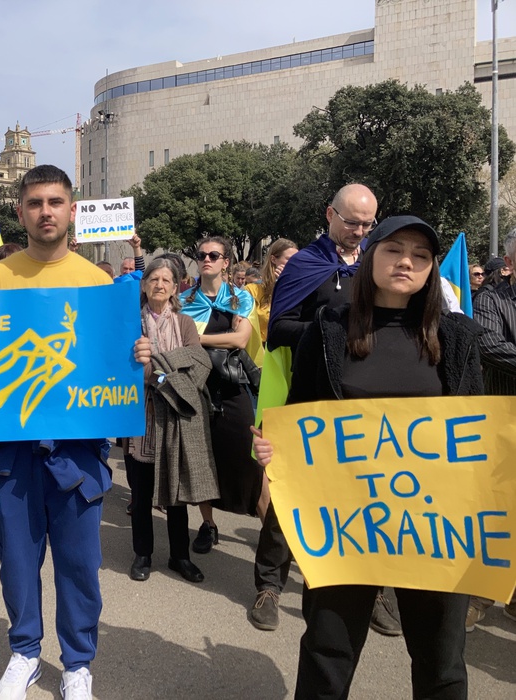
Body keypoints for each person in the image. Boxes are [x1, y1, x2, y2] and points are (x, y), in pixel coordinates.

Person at [0, 165, 151, 700]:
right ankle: (25, 652)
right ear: (20, 212)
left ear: (72, 210)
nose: (45, 212)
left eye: (55, 202)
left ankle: (77, 662)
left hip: (76, 448)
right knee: (16, 560)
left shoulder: (96, 282)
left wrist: (136, 356)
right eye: (35, 203)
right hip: (9, 450)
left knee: (79, 564)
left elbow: (109, 360)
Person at [253, 215, 482, 700]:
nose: (406, 262)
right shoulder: (328, 331)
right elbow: (300, 414)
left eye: (421, 255)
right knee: (327, 655)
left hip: (435, 527)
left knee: (442, 664)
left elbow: (476, 431)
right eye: (394, 249)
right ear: (370, 256)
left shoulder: (458, 336)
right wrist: (276, 452)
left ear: (432, 269)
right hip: (346, 524)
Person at [257, 183, 400, 636]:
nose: (360, 231)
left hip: (367, 404)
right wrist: (333, 331)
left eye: (368, 224)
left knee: (370, 497)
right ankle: (269, 586)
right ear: (329, 215)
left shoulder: (377, 263)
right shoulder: (305, 264)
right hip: (311, 399)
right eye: (352, 222)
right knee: (290, 498)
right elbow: (278, 329)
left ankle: (373, 589)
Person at [125, 257, 218, 584]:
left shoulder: (184, 323)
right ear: (144, 284)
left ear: (176, 287)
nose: (160, 285)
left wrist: (154, 367)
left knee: (176, 493)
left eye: (166, 280)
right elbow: (125, 369)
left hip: (176, 415)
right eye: (154, 279)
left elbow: (198, 363)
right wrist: (163, 369)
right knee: (140, 492)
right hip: (140, 416)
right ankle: (142, 554)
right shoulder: (130, 323)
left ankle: (180, 556)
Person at [181, 236, 261, 564]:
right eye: (201, 254)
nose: (206, 259)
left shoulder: (240, 297)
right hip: (197, 386)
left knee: (249, 457)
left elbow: (240, 340)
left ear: (226, 261)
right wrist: (220, 338)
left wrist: (198, 338)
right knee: (203, 459)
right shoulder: (185, 299)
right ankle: (208, 524)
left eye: (214, 255)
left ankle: (272, 528)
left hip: (231, 387)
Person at [467, 228, 516, 628]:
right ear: (510, 264)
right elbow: (489, 346)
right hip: (505, 426)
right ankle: (480, 595)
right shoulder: (491, 300)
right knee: (499, 511)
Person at [244, 238, 298, 348]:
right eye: (289, 259)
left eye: (296, 259)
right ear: (273, 259)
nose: (294, 263)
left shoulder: (297, 288)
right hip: (260, 348)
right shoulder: (252, 290)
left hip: (289, 348)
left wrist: (286, 285)